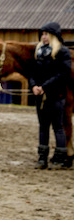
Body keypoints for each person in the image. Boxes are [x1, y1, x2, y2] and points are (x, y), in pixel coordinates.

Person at [29, 22, 72, 169]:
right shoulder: (39, 51)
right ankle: (42, 158)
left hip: (56, 95)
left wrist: (45, 87)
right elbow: (32, 73)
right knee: (43, 127)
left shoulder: (62, 52)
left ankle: (60, 158)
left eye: (46, 34)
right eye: (42, 34)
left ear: (53, 36)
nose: (43, 37)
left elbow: (63, 74)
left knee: (57, 127)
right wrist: (33, 86)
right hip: (40, 96)